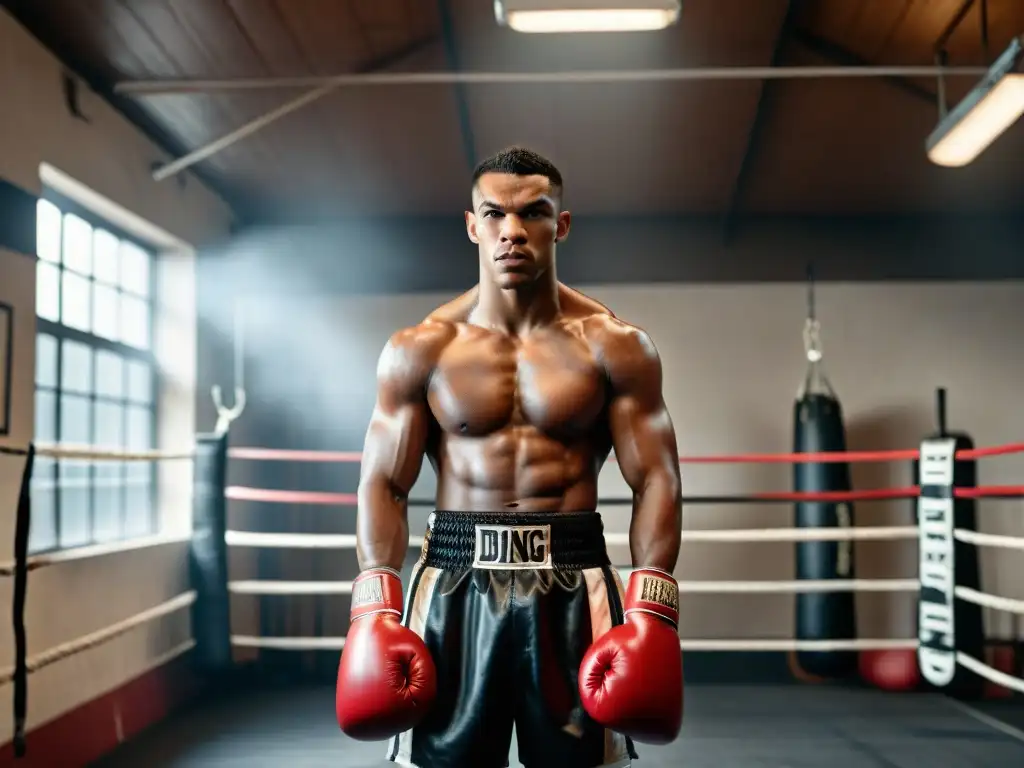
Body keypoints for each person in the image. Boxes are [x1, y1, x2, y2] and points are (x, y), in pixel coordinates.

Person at [335, 146, 684, 768]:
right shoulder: (423, 347)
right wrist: (375, 606)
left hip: (575, 578)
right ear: (473, 225)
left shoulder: (616, 345)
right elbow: (383, 482)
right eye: (494, 214)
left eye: (534, 213)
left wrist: (651, 608)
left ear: (562, 224)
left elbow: (655, 477)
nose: (512, 231)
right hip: (454, 578)